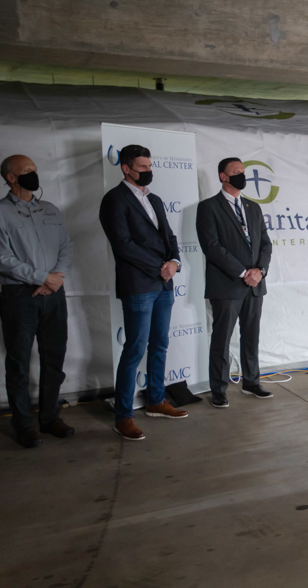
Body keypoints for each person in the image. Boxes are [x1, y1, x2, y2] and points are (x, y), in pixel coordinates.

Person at [0, 155, 75, 448]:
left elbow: (66, 246)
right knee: (19, 364)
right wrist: (41, 278)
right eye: (26, 172)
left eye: (35, 170)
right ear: (10, 177)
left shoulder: (50, 210)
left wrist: (55, 279)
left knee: (54, 359)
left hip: (54, 294)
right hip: (20, 297)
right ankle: (23, 425)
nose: (33, 175)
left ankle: (50, 418)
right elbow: (3, 259)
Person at [99, 144, 188, 441]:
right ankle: (123, 416)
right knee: (135, 349)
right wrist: (160, 267)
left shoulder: (156, 199)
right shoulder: (114, 200)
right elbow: (122, 244)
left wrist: (174, 263)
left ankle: (155, 401)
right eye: (143, 167)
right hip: (139, 285)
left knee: (160, 344)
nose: (149, 172)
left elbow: (169, 237)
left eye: (150, 166)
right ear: (126, 168)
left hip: (164, 283)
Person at [196, 158, 273, 408]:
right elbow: (212, 247)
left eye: (243, 171)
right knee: (222, 337)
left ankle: (251, 381)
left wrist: (259, 271)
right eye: (236, 172)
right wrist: (243, 273)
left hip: (255, 285)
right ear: (223, 177)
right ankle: (218, 388)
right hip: (227, 285)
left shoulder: (252, 207)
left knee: (251, 335)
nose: (242, 175)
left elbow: (265, 243)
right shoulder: (208, 207)